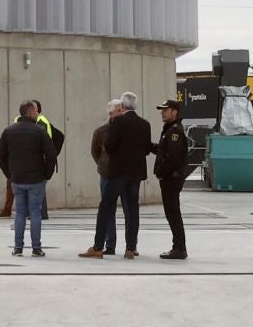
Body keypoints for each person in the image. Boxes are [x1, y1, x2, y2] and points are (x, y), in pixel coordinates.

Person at [95, 90, 154, 259]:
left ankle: (98, 246)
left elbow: (109, 145)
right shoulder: (145, 124)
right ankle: (130, 248)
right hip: (135, 173)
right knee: (132, 209)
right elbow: (146, 149)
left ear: (122, 105)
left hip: (116, 173)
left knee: (106, 207)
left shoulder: (118, 122)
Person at [0, 100, 55, 258]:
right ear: (29, 112)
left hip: (17, 178)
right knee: (35, 212)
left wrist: (9, 174)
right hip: (36, 179)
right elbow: (51, 154)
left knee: (20, 213)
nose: (37, 113)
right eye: (36, 111)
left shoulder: (9, 131)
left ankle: (18, 247)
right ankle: (36, 248)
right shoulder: (40, 131)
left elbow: (0, 155)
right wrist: (46, 175)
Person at [80, 100, 125, 258]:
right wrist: (103, 165)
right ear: (111, 113)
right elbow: (95, 151)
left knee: (129, 209)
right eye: (117, 110)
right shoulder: (101, 131)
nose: (121, 112)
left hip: (124, 174)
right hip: (107, 174)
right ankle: (109, 244)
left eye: (122, 110)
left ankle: (131, 246)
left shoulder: (128, 129)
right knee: (108, 209)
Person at [154, 98, 191, 259]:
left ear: (174, 112)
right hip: (169, 178)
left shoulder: (174, 131)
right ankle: (178, 247)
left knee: (173, 213)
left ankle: (179, 248)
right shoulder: (169, 130)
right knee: (172, 213)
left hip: (171, 179)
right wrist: (149, 146)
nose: (162, 113)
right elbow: (164, 151)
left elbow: (173, 158)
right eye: (161, 110)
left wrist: (162, 171)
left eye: (165, 110)